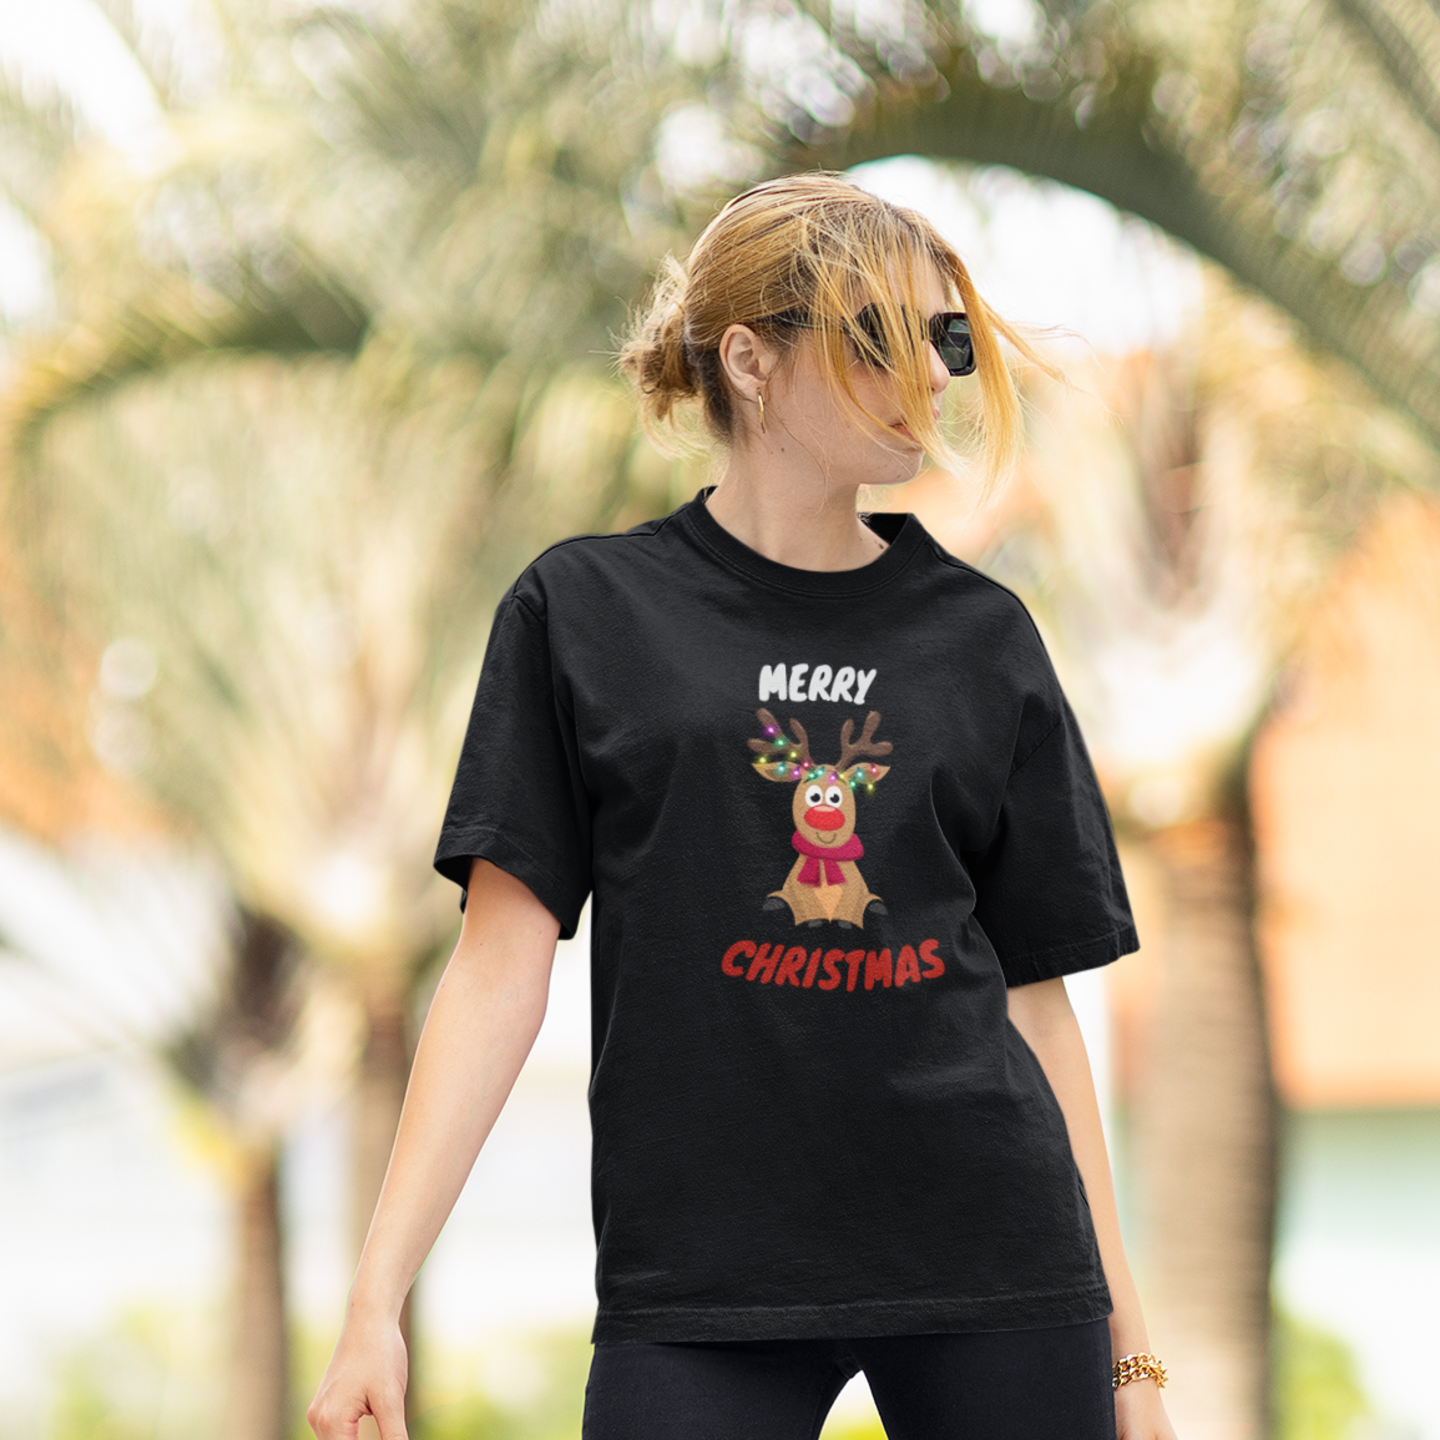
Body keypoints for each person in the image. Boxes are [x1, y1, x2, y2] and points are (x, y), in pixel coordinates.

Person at [307, 172, 1181, 1440]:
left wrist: (1131, 1357)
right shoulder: (583, 616)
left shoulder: (984, 639)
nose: (929, 376)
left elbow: (1038, 1008)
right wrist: (374, 1301)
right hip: (700, 1285)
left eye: (946, 340)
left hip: (998, 1259)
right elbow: (496, 971)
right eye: (879, 336)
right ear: (750, 360)